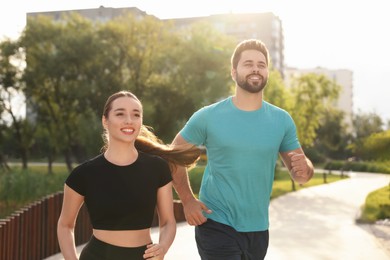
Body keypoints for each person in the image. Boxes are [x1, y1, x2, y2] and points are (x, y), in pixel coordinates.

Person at [171, 39, 314, 260]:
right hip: (216, 222)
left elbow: (301, 172)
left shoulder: (281, 120)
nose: (256, 68)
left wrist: (306, 170)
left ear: (267, 72)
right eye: (248, 63)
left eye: (261, 64)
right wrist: (188, 200)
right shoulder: (208, 116)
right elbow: (174, 155)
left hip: (258, 229)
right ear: (233, 71)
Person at [57, 91, 200, 260]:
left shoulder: (157, 168)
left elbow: (168, 222)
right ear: (105, 121)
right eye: (120, 114)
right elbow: (65, 225)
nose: (129, 120)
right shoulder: (83, 174)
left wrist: (163, 247)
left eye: (136, 115)